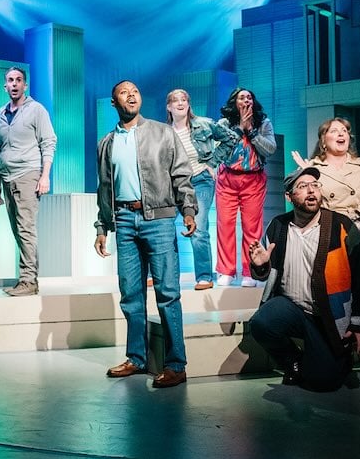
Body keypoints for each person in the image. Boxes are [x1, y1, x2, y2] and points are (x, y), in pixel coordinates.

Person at [94, 81, 197, 388]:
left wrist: (188, 209)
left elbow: (181, 173)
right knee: (131, 294)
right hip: (124, 220)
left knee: (167, 293)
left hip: (159, 219)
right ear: (114, 102)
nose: (131, 95)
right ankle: (136, 358)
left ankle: (176, 364)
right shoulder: (107, 142)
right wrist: (102, 227)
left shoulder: (162, 132)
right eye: (124, 92)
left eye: (135, 91)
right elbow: (104, 188)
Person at [292, 116, 360, 382]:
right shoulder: (313, 167)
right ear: (324, 139)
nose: (341, 134)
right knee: (335, 291)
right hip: (331, 231)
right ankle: (340, 352)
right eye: (334, 131)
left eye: (345, 131)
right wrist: (305, 178)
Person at [248, 166, 360, 391]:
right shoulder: (278, 226)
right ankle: (292, 361)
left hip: (328, 316)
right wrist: (260, 266)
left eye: (315, 185)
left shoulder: (341, 225)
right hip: (291, 308)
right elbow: (266, 272)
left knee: (323, 382)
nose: (311, 190)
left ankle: (334, 360)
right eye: (303, 186)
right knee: (261, 323)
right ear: (289, 196)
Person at [165, 88, 237, 290]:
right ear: (169, 107)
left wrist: (213, 162)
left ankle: (204, 276)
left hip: (200, 180)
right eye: (175, 100)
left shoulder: (203, 124)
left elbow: (231, 138)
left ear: (189, 104)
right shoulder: (164, 132)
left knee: (198, 229)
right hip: (174, 185)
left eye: (184, 99)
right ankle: (166, 276)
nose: (180, 103)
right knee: (164, 228)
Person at [0, 66, 57, 296]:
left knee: (26, 230)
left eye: (18, 80)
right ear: (5, 85)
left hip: (27, 175)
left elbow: (48, 142)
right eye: (10, 80)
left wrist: (45, 175)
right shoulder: (1, 114)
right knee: (17, 230)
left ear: (25, 85)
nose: (14, 84)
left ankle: (29, 281)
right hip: (7, 178)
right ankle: (27, 279)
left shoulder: (36, 110)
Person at [214, 87, 276, 287]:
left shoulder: (263, 122)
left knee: (251, 227)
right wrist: (240, 128)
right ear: (234, 102)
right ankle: (226, 271)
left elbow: (271, 149)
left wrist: (252, 132)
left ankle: (250, 271)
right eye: (242, 98)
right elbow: (220, 152)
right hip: (228, 178)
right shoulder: (224, 124)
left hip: (253, 179)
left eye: (249, 97)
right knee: (225, 225)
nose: (246, 100)